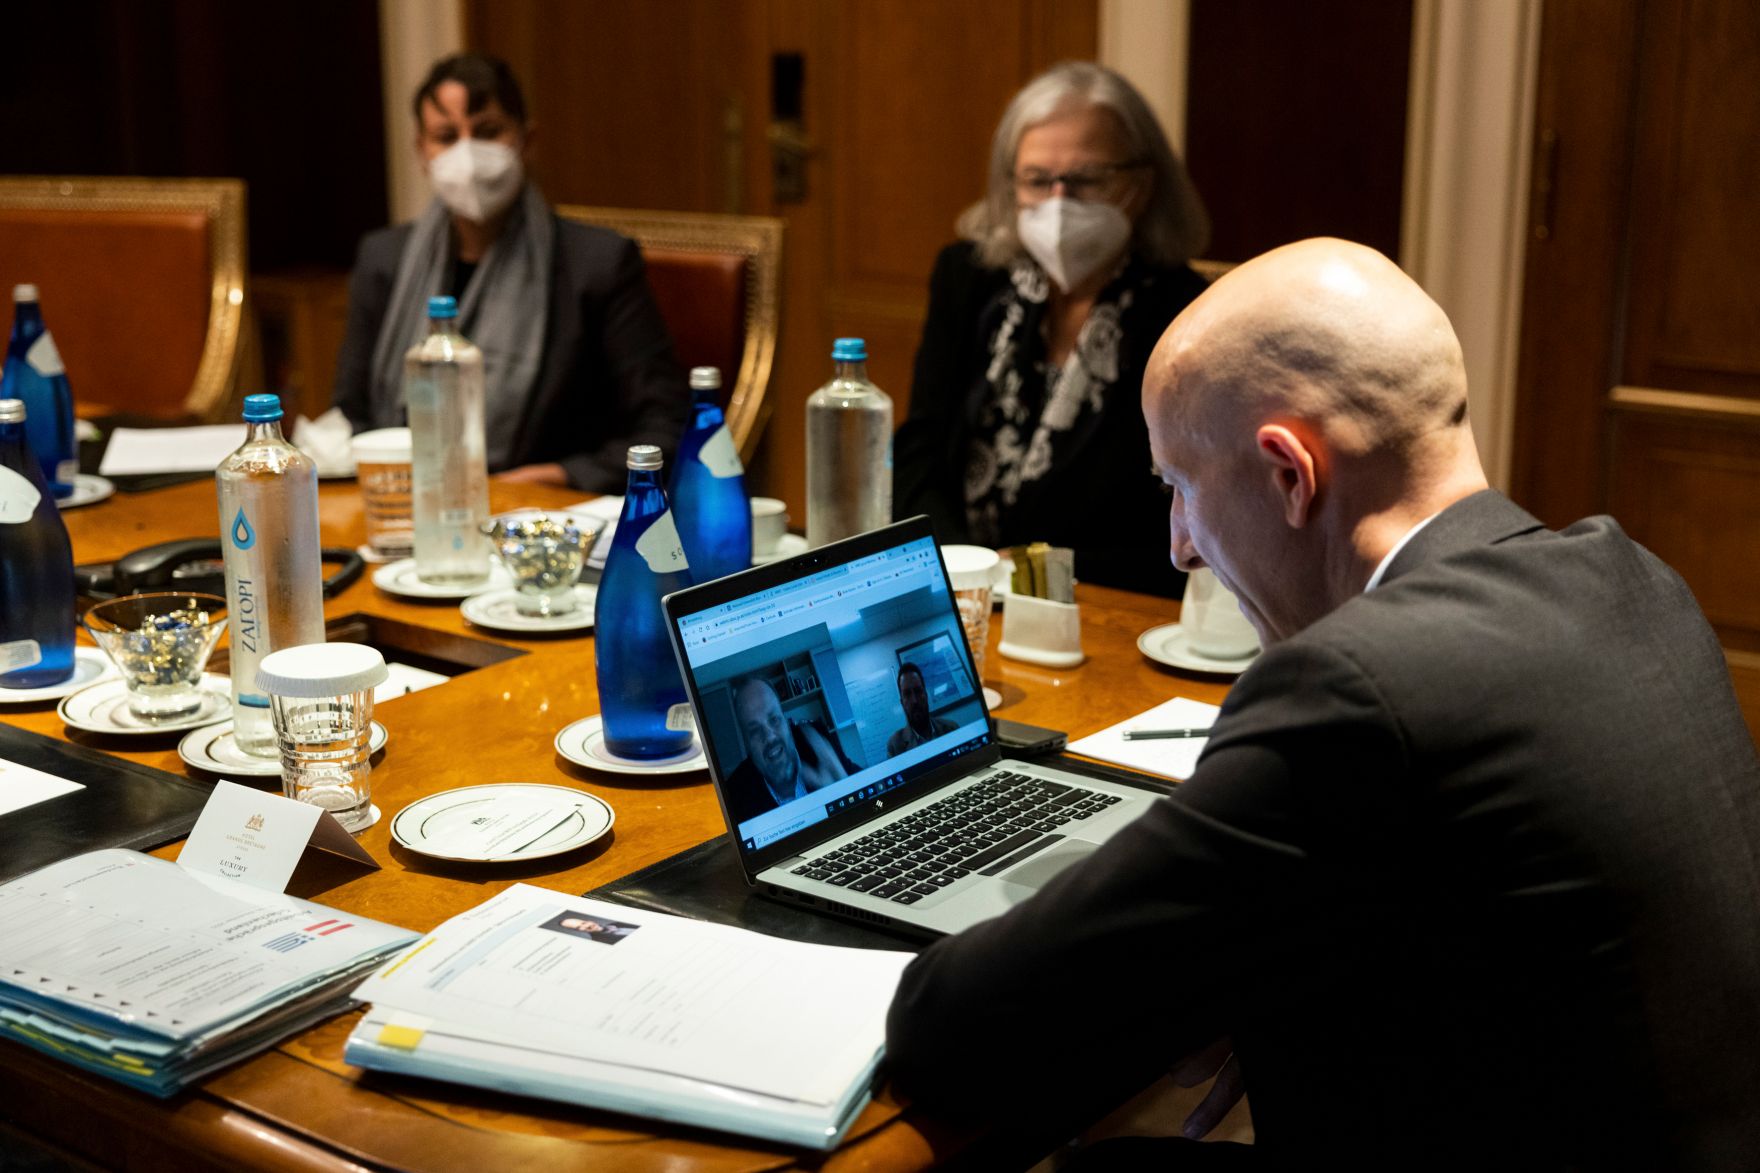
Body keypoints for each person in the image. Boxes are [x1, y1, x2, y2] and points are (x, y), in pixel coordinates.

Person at [884, 239, 1760, 1168]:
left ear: (1290, 474)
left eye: (1180, 487)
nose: (1179, 544)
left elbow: (957, 1033)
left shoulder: (1353, 694)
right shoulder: (1629, 577)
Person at [893, 61, 1211, 597]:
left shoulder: (1184, 312)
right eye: (1038, 181)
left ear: (1141, 184)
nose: (1059, 202)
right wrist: (958, 567)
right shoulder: (968, 278)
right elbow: (920, 446)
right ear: (1010, 185)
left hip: (1101, 603)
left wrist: (1028, 573)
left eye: (1086, 179)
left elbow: (1184, 524)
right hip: (962, 590)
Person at [332, 52, 688, 492]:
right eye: (447, 136)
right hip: (403, 504)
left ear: (526, 139)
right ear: (421, 152)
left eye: (487, 132)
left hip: (543, 515)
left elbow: (664, 426)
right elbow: (353, 413)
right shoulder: (382, 258)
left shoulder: (598, 263)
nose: (467, 154)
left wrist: (559, 476)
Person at [720, 676, 849, 827]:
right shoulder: (734, 797)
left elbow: (871, 796)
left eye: (774, 719)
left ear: (786, 721)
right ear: (746, 744)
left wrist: (846, 790)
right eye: (754, 731)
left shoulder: (817, 743)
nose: (769, 737)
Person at [884, 661, 957, 755]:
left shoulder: (951, 728)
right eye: (907, 694)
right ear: (902, 703)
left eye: (918, 691)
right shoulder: (895, 746)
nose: (914, 700)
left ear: (926, 695)